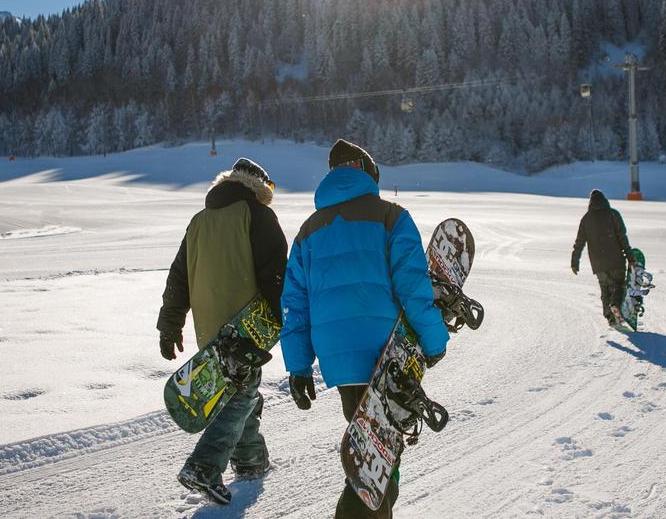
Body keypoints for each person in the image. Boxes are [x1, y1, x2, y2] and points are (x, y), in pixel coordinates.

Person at [280, 139, 449, 518]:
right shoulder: (391, 216)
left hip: (339, 360)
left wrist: (299, 365)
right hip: (386, 352)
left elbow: (295, 304)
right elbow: (413, 287)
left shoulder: (308, 231)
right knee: (378, 460)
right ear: (368, 172)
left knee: (374, 452)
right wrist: (434, 340)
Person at [156, 157, 287, 505]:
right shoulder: (257, 215)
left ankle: (250, 462)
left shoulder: (199, 221)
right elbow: (276, 276)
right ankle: (204, 466)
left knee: (238, 391)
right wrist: (284, 320)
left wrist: (170, 324)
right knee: (242, 391)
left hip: (209, 327)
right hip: (246, 326)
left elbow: (178, 278)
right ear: (258, 186)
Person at [570, 189, 638, 327]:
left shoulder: (586, 219)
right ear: (605, 200)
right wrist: (631, 258)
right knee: (619, 285)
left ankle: (610, 317)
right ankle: (615, 305)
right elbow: (622, 238)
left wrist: (574, 261)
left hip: (598, 263)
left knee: (605, 288)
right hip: (616, 259)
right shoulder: (613, 214)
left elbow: (579, 242)